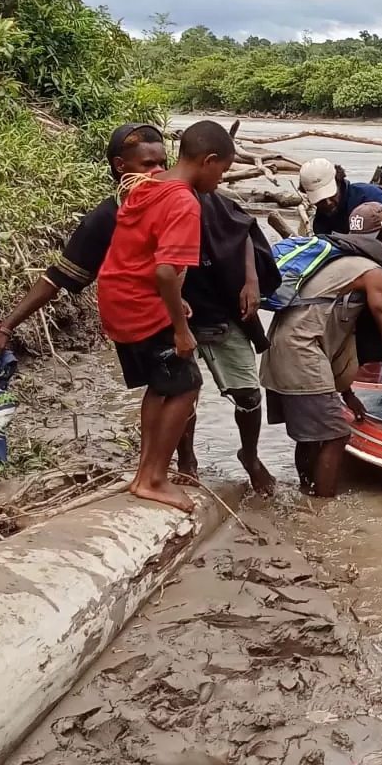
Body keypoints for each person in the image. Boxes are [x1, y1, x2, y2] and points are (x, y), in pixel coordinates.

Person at [97, 120, 237, 513]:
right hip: (141, 302)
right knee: (186, 383)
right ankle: (153, 479)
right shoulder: (183, 201)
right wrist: (180, 327)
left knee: (161, 384)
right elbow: (163, 271)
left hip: (119, 296)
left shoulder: (145, 186)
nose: (221, 178)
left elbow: (145, 256)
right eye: (223, 170)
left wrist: (175, 301)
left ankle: (145, 470)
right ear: (208, 161)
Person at [260, 202, 382, 497]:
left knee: (309, 438)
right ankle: (322, 511)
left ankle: (305, 495)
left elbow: (328, 323)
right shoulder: (371, 273)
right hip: (301, 355)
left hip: (277, 350)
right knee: (335, 435)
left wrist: (346, 394)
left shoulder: (334, 261)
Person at [0, 123, 169, 352]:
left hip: (188, 319)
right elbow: (56, 278)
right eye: (149, 165)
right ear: (120, 165)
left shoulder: (179, 204)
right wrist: (5, 328)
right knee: (177, 385)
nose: (159, 172)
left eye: (163, 163)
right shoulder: (105, 219)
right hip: (143, 326)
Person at [174, 192, 280, 496]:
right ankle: (186, 460)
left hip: (225, 310)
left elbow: (244, 229)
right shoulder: (166, 201)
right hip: (178, 311)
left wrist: (251, 279)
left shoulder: (217, 203)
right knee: (182, 391)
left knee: (248, 394)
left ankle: (250, 454)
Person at [299, 158, 382, 293]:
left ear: (339, 181)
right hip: (377, 262)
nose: (328, 203)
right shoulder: (321, 223)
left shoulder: (369, 197)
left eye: (331, 195)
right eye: (320, 200)